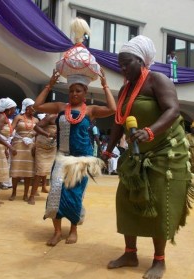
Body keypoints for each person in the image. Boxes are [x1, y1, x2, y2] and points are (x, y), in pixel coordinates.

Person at [102, 35, 194, 279]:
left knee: (158, 203)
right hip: (135, 154)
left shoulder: (157, 80)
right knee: (126, 199)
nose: (122, 68)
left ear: (141, 61)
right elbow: (118, 121)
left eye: (127, 63)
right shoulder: (125, 88)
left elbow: (173, 110)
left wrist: (151, 131)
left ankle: (159, 260)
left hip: (165, 152)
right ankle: (130, 253)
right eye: (120, 64)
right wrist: (108, 149)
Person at [33, 67, 116, 246]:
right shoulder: (61, 107)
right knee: (55, 192)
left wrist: (105, 85)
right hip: (61, 157)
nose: (74, 94)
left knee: (74, 195)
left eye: (78, 91)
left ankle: (72, 230)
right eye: (71, 91)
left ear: (85, 92)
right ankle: (56, 232)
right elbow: (37, 106)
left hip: (81, 160)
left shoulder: (91, 110)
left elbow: (112, 108)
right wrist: (50, 85)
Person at [9, 98, 39, 201]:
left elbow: (38, 133)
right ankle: (13, 193)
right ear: (27, 107)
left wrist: (35, 144)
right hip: (18, 145)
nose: (34, 109)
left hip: (30, 147)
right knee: (16, 169)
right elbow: (11, 129)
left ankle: (26, 194)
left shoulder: (36, 120)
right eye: (32, 107)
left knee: (28, 171)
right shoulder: (18, 117)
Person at [28, 113, 57, 205]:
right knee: (39, 171)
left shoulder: (66, 119)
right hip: (42, 147)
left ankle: (54, 197)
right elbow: (36, 128)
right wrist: (48, 134)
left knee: (53, 172)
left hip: (53, 147)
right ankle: (31, 196)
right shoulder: (51, 117)